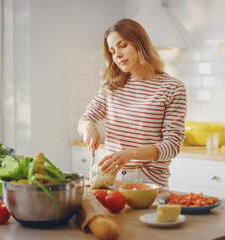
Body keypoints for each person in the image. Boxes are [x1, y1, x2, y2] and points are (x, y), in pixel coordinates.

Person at [77, 18, 187, 188]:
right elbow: (86, 118)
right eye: (113, 51)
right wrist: (87, 127)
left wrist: (132, 153)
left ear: (140, 43)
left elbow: (172, 146)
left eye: (123, 45)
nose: (118, 55)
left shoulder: (172, 88)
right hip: (111, 179)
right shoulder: (111, 87)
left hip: (149, 182)